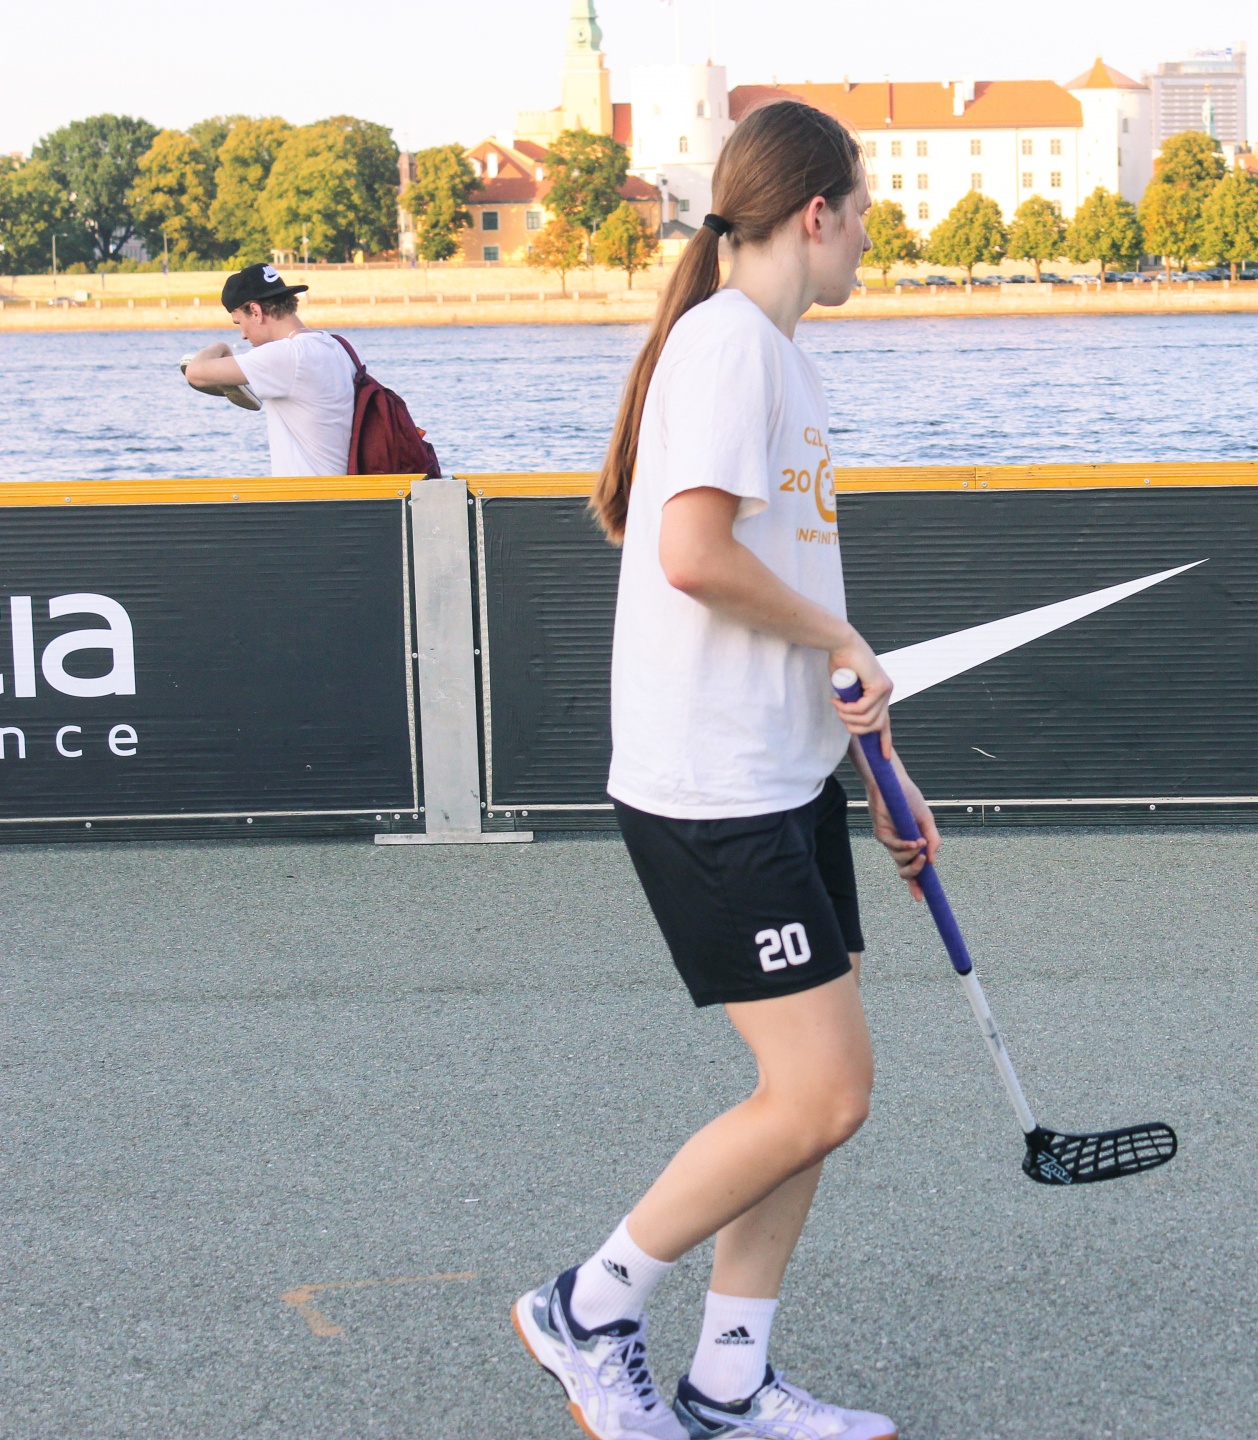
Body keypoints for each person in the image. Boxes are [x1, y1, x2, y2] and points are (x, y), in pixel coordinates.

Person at [510, 101, 935, 1440]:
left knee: (810, 1106)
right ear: (815, 213)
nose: (867, 236)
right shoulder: (728, 345)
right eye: (861, 211)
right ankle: (585, 1308)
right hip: (711, 790)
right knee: (824, 1091)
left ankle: (731, 1381)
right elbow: (694, 556)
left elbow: (786, 593)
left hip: (782, 776)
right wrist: (844, 642)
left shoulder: (777, 358)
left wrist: (877, 766)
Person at [182, 263, 355, 477]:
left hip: (307, 494)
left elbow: (195, 372)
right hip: (343, 489)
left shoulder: (287, 355)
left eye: (239, 322)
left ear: (255, 311)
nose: (243, 335)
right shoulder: (340, 346)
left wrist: (221, 347)